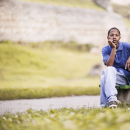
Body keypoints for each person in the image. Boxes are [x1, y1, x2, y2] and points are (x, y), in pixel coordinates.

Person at [100, 27, 130, 108]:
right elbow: (109, 64)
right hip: (113, 77)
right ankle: (111, 102)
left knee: (104, 76)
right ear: (108, 37)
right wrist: (113, 48)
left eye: (116, 35)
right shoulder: (105, 49)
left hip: (125, 77)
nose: (114, 37)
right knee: (104, 76)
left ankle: (105, 104)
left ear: (119, 38)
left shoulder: (126, 46)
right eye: (111, 35)